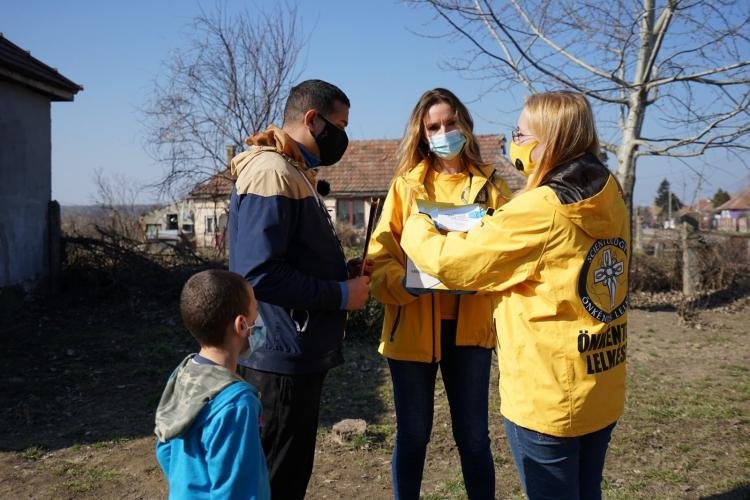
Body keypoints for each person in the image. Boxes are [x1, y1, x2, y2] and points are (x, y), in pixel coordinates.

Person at [400, 91, 629, 500]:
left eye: (520, 133)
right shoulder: (609, 192)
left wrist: (417, 225)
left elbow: (456, 263)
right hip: (601, 378)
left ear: (549, 139)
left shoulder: (540, 208)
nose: (515, 142)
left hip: (549, 395)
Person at [228, 79, 370, 499]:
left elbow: (290, 258)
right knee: (277, 478)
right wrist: (341, 295)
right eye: (339, 125)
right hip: (279, 356)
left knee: (286, 472)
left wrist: (343, 273)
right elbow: (259, 272)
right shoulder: (271, 171)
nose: (343, 137)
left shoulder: (291, 170)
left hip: (293, 351)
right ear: (313, 119)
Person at [367, 88, 511, 500]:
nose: (443, 132)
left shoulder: (493, 187)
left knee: (474, 438)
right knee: (412, 436)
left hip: (471, 332)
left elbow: (513, 252)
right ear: (422, 133)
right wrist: (405, 284)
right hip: (411, 330)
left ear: (464, 124)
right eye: (434, 126)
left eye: (450, 123)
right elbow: (379, 260)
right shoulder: (406, 188)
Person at [154, 269, 269, 500]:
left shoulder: (183, 373)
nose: (260, 316)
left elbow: (164, 447)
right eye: (256, 308)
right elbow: (238, 491)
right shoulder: (238, 404)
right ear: (241, 325)